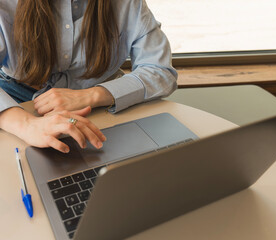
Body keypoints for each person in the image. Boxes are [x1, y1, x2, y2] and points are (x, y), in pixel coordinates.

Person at [0, 0, 177, 153]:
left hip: (102, 105)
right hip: (17, 103)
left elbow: (160, 71)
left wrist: (93, 95)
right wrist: (26, 124)